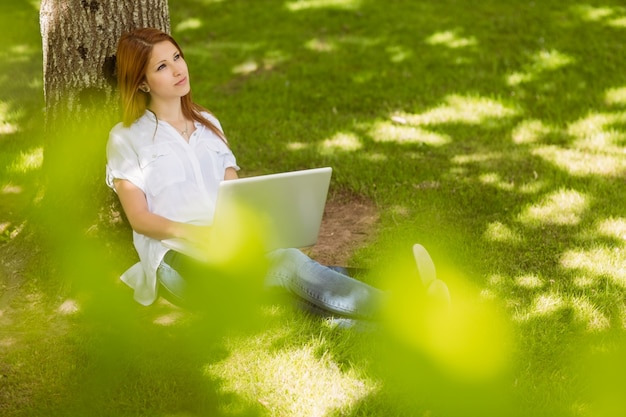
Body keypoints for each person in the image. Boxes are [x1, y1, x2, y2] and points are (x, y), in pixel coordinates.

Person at [106, 28, 449, 326]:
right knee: (287, 263)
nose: (178, 69)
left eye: (177, 57)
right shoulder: (126, 138)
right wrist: (199, 234)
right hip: (178, 264)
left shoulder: (208, 123)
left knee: (289, 291)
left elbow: (236, 194)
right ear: (140, 83)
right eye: (162, 66)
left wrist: (263, 227)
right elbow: (139, 219)